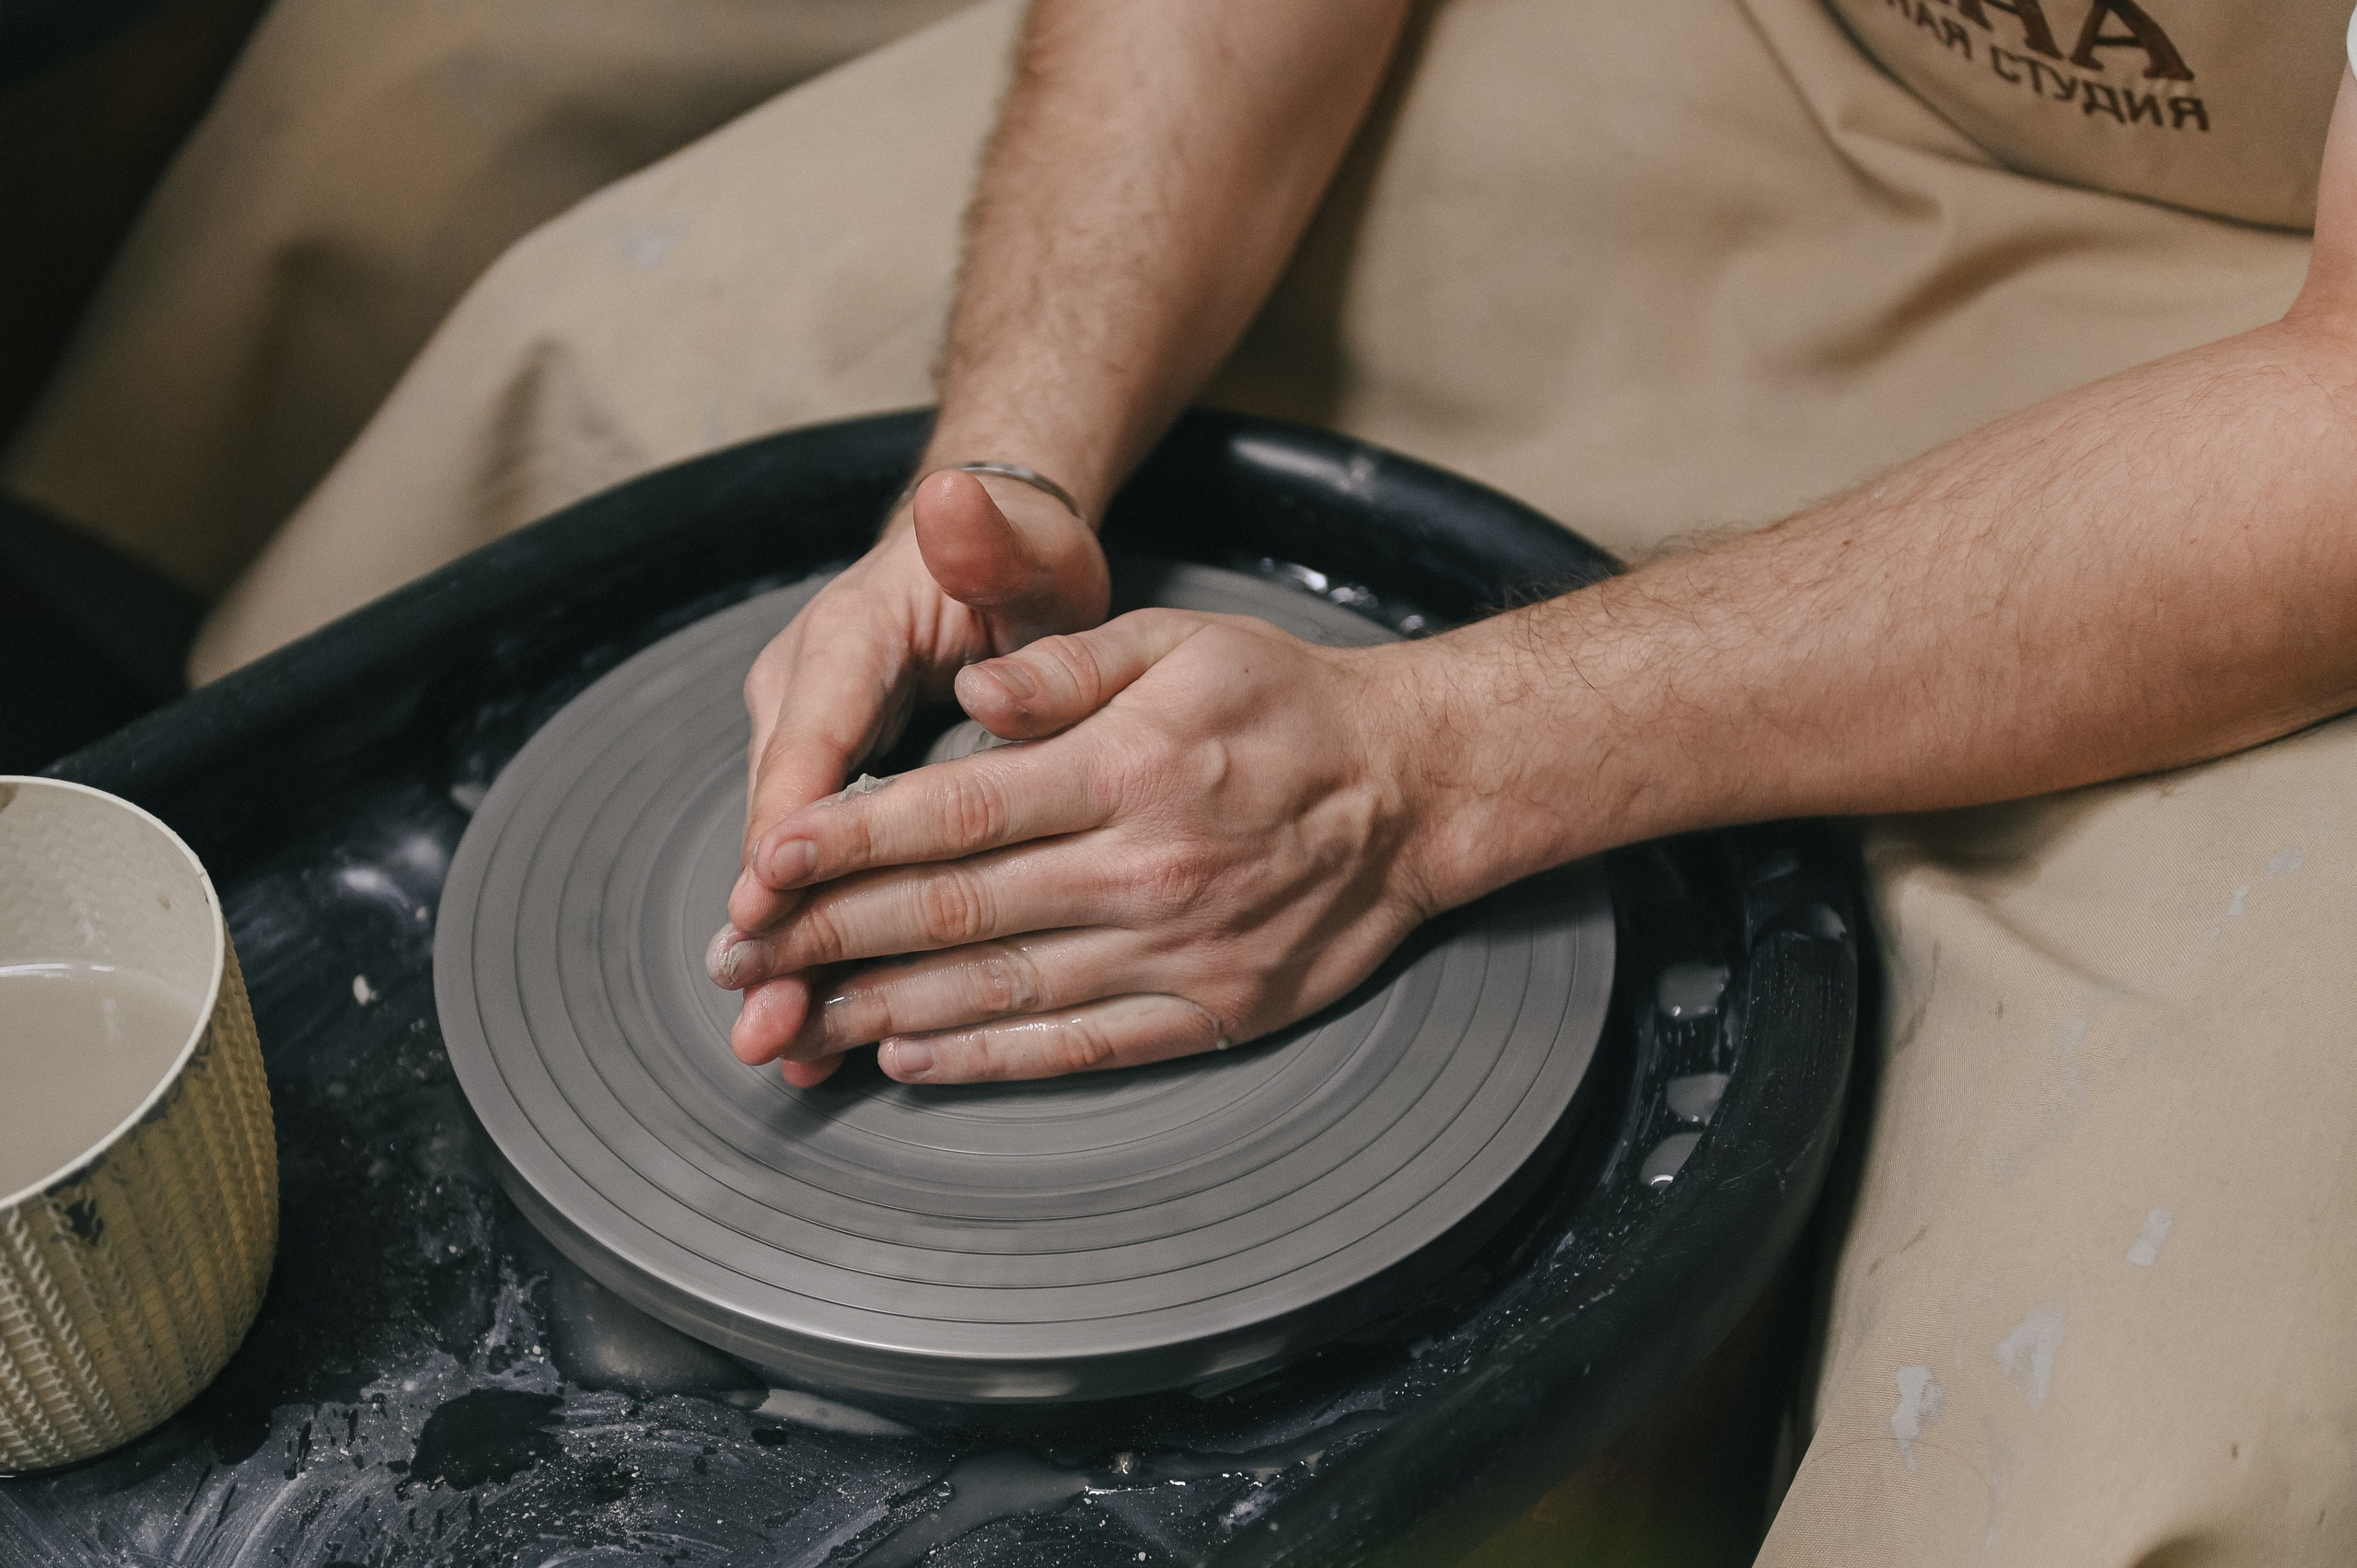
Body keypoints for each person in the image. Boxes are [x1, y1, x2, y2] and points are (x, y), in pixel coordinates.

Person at [12, 0, 2357, 1559]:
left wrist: (1434, 767)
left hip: (2251, 355)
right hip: (1723, 50)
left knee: (2156, 1406)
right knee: (614, 347)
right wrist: (1004, 479)